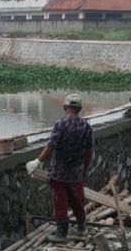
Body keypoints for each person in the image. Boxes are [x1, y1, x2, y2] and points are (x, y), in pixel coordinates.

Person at [26, 93, 93, 242]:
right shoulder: (86, 126)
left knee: (60, 202)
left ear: (64, 107)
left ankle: (62, 234)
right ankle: (82, 228)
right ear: (80, 108)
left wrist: (37, 161)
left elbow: (51, 145)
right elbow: (89, 151)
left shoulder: (61, 124)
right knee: (77, 201)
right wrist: (85, 170)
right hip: (76, 173)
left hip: (59, 174)